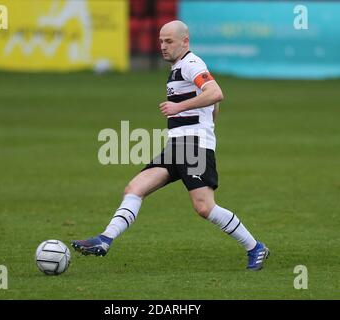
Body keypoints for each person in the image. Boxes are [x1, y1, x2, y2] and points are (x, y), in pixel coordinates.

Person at [72, 20, 269, 270]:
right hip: (177, 145)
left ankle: (255, 247)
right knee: (135, 187)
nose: (163, 46)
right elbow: (212, 104)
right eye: (161, 41)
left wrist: (181, 109)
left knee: (204, 207)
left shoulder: (190, 63)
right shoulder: (179, 67)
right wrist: (206, 120)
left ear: (184, 41)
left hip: (193, 146)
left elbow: (216, 93)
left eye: (169, 41)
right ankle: (105, 239)